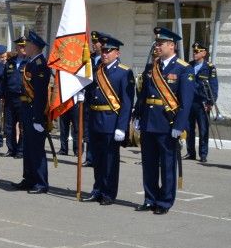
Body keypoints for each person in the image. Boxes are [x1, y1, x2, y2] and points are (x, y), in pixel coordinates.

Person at [133, 27, 195, 215]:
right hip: (149, 123)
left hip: (167, 123)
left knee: (167, 164)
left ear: (171, 45)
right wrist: (138, 115)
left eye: (160, 44)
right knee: (149, 164)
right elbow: (143, 95)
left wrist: (179, 125)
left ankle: (165, 201)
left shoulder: (184, 69)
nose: (157, 47)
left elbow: (186, 102)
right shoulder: (152, 67)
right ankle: (150, 198)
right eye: (157, 43)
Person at [83, 35, 135, 205]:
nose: (104, 54)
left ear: (117, 53)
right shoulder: (98, 69)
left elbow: (126, 103)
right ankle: (97, 189)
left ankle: (108, 193)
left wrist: (122, 127)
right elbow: (91, 94)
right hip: (95, 120)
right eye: (103, 50)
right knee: (97, 160)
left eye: (108, 51)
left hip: (112, 122)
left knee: (110, 161)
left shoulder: (124, 72)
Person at [15, 31, 52, 195]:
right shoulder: (30, 63)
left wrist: (38, 117)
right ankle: (29, 178)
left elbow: (41, 94)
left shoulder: (40, 65)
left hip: (35, 111)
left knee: (36, 148)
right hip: (27, 110)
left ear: (34, 47)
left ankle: (41, 182)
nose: (25, 48)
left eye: (28, 45)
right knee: (28, 147)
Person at [186, 41, 218, 163]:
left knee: (203, 129)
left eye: (197, 52)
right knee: (189, 128)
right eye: (194, 51)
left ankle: (203, 154)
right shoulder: (189, 66)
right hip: (190, 101)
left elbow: (214, 86)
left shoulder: (209, 67)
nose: (194, 53)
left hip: (203, 102)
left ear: (204, 53)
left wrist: (211, 102)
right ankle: (191, 152)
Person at [3, 36, 28, 157]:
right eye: (21, 46)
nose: (23, 48)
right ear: (17, 47)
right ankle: (11, 148)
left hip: (23, 98)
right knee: (9, 125)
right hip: (10, 97)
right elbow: (4, 79)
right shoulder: (10, 61)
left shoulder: (29, 61)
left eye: (24, 46)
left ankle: (21, 150)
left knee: (23, 125)